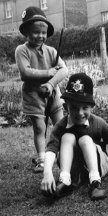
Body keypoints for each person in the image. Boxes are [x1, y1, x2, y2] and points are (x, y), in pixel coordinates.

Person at [40, 73, 108, 201]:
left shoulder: (98, 123)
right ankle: (65, 181)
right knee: (67, 137)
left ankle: (95, 183)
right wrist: (47, 173)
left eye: (85, 108)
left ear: (92, 107)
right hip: (74, 170)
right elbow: (51, 149)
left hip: (98, 166)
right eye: (74, 108)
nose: (80, 113)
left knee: (85, 139)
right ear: (66, 107)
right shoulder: (61, 125)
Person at [15, 6, 68, 173]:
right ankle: (42, 159)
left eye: (43, 32)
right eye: (36, 32)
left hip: (53, 94)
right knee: (39, 127)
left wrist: (51, 84)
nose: (40, 36)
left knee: (60, 125)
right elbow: (25, 72)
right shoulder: (22, 50)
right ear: (27, 33)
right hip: (33, 95)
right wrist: (48, 72)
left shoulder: (51, 51)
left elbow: (64, 70)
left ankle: (62, 154)